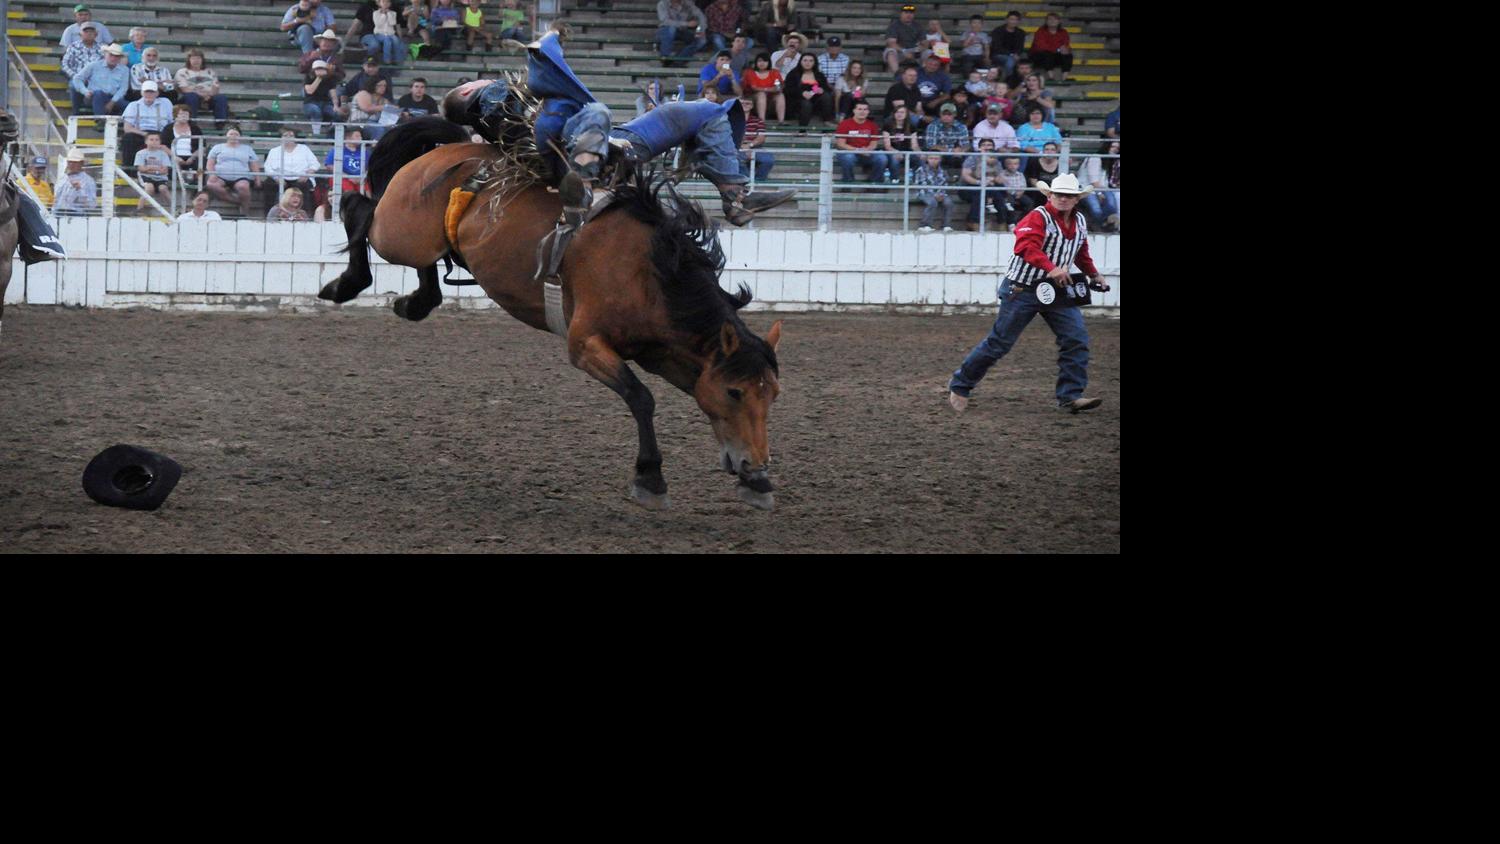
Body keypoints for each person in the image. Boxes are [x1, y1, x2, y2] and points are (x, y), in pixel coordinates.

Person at [445, 29, 793, 225]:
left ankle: (736, 199)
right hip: (560, 148)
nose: (484, 81)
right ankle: (583, 187)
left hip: (606, 141)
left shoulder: (500, 101)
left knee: (704, 110)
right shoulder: (487, 99)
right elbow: (523, 119)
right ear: (466, 91)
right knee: (596, 111)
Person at [947, 173, 1108, 414]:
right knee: (999, 343)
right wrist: (1051, 268)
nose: (1063, 199)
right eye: (1059, 195)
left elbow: (1080, 251)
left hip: (1056, 290)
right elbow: (1025, 247)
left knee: (1076, 339)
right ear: (1050, 196)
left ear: (1076, 200)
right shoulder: (1038, 216)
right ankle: (961, 385)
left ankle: (1071, 395)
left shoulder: (1080, 222)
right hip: (1022, 288)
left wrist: (1094, 274)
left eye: (1069, 196)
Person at [205, 125, 263, 216]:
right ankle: (238, 201)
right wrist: (212, 174)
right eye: (231, 134)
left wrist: (258, 178)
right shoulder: (217, 147)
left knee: (243, 187)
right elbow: (210, 163)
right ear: (226, 135)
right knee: (211, 184)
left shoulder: (247, 149)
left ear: (240, 136)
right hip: (221, 175)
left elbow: (254, 164)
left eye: (236, 134)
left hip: (241, 176)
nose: (233, 136)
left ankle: (245, 213)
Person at [262, 128, 323, 209]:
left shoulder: (304, 149)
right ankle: (271, 215)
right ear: (281, 138)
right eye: (285, 135)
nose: (288, 137)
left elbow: (315, 164)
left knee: (303, 186)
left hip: (301, 178)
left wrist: (307, 174)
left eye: (291, 135)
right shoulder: (274, 151)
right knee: (269, 184)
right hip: (280, 178)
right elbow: (267, 167)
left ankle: (303, 215)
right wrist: (276, 178)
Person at [120, 81, 174, 172]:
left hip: (161, 132)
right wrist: (145, 134)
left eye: (152, 92)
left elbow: (172, 122)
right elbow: (127, 128)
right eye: (146, 92)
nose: (149, 94)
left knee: (170, 137)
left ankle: (168, 170)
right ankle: (129, 169)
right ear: (141, 92)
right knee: (128, 138)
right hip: (141, 132)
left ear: (157, 93)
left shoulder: (166, 103)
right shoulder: (133, 105)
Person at [834, 101, 888, 183]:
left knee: (882, 158)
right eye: (859, 109)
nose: (862, 112)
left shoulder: (872, 125)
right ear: (854, 111)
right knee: (848, 158)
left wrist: (867, 150)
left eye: (865, 109)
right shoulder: (844, 124)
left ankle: (873, 182)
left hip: (866, 153)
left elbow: (873, 144)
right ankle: (848, 182)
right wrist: (858, 150)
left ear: (868, 112)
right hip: (848, 152)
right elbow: (841, 144)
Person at [72, 43, 130, 118]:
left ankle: (120, 124)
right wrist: (85, 91)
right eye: (111, 55)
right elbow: (77, 78)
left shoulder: (124, 70)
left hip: (113, 98)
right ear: (105, 54)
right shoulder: (94, 65)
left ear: (120, 58)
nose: (113, 58)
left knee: (130, 106)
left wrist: (112, 102)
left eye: (116, 56)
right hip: (94, 96)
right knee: (98, 94)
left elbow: (123, 88)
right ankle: (100, 121)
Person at [175, 51, 229, 128]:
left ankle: (220, 123)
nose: (196, 61)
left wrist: (209, 95)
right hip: (190, 98)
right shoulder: (182, 72)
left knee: (221, 98)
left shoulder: (210, 72)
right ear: (189, 60)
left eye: (198, 58)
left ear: (202, 60)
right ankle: (192, 123)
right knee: (191, 96)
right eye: (193, 58)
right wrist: (201, 94)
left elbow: (216, 87)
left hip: (208, 97)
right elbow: (184, 89)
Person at [960, 137, 1004, 229]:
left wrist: (992, 180)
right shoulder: (972, 158)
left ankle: (1002, 223)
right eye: (984, 145)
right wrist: (980, 182)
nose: (987, 147)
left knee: (1000, 195)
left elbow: (1000, 178)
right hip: (968, 187)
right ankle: (974, 222)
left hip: (989, 186)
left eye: (989, 145)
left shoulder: (996, 160)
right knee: (979, 196)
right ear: (979, 148)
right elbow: (966, 175)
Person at [1075, 140, 1119, 232]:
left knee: (1112, 206)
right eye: (1113, 146)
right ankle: (1099, 226)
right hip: (1086, 188)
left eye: (1117, 148)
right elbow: (1093, 180)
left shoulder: (1108, 161)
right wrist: (1099, 193)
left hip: (1102, 188)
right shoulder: (1095, 158)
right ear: (1107, 146)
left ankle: (1104, 224)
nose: (1115, 149)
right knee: (1096, 209)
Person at [61, 22, 105, 114]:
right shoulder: (73, 46)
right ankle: (76, 112)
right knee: (74, 85)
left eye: (91, 32)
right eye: (86, 31)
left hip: (96, 79)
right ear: (80, 34)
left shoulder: (102, 48)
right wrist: (76, 76)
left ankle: (99, 117)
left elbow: (104, 66)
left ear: (96, 34)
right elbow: (65, 64)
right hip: (78, 76)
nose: (89, 33)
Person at [784, 53, 831, 127]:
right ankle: (802, 129)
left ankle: (827, 121)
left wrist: (822, 90)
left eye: (811, 61)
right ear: (800, 62)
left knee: (826, 96)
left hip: (815, 99)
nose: (807, 63)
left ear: (814, 63)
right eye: (805, 60)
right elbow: (788, 89)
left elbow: (826, 88)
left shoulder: (819, 75)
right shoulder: (793, 74)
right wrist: (801, 93)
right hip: (797, 100)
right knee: (806, 104)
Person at [132, 131, 173, 215]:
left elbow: (164, 170)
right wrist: (157, 169)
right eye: (151, 139)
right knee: (149, 188)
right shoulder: (140, 153)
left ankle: (173, 208)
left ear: (160, 142)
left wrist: (149, 168)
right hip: (145, 177)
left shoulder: (163, 154)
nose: (154, 141)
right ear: (146, 141)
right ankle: (139, 209)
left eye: (156, 140)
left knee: (163, 188)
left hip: (160, 178)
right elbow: (141, 169)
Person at [303, 59, 346, 135]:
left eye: (321, 68)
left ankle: (331, 133)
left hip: (325, 103)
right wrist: (319, 78)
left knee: (336, 114)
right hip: (310, 103)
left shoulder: (329, 79)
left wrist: (335, 106)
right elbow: (310, 91)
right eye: (317, 69)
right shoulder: (308, 78)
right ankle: (316, 134)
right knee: (315, 110)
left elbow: (333, 93)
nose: (320, 70)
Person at [737, 92, 773, 181]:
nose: (744, 105)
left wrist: (749, 146)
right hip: (737, 148)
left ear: (752, 106)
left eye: (747, 103)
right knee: (736, 159)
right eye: (741, 103)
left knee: (768, 160)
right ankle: (747, 182)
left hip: (755, 147)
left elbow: (761, 137)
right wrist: (742, 147)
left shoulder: (758, 121)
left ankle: (758, 181)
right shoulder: (730, 120)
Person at [52, 148, 99, 216]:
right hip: (59, 214)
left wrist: (79, 190)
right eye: (70, 162)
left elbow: (92, 205)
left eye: (75, 162)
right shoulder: (63, 178)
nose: (71, 164)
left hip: (76, 215)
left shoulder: (88, 181)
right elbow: (56, 198)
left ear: (81, 163)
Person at [740, 52, 784, 122]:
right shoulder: (750, 72)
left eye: (765, 61)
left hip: (770, 102)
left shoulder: (774, 73)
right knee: (761, 94)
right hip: (752, 101)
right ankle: (762, 121)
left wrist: (764, 89)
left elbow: (778, 88)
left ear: (769, 62)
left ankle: (781, 121)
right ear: (756, 62)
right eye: (759, 61)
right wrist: (771, 89)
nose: (762, 63)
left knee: (780, 95)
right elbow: (754, 88)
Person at [880, 103, 919, 182]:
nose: (899, 114)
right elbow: (887, 145)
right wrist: (896, 152)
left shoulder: (912, 126)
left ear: (906, 114)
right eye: (897, 112)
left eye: (902, 112)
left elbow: (914, 145)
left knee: (919, 159)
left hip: (907, 151)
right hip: (891, 151)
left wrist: (920, 153)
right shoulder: (887, 125)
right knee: (895, 160)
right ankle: (894, 180)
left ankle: (916, 180)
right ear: (894, 114)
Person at [913, 153, 952, 231]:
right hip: (923, 193)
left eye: (936, 158)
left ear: (940, 160)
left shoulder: (943, 171)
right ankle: (925, 225)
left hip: (939, 194)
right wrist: (934, 195)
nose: (933, 161)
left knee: (949, 202)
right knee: (932, 202)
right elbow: (921, 185)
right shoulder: (921, 170)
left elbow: (944, 184)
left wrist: (941, 194)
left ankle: (946, 225)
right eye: (931, 158)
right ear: (927, 159)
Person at [1029, 12, 1072, 81]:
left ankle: (1065, 77)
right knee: (1047, 54)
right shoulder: (1040, 31)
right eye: (1050, 19)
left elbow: (1065, 45)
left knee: (1068, 55)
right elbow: (1041, 46)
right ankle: (1051, 77)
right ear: (1046, 21)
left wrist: (1065, 50)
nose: (1052, 21)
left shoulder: (1063, 32)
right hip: (1039, 56)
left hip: (1055, 55)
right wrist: (1058, 49)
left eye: (1055, 19)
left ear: (1059, 21)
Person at [349, 77, 394, 141]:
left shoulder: (383, 100)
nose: (383, 87)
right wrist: (384, 107)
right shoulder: (363, 94)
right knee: (379, 129)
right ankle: (374, 149)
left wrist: (399, 112)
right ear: (373, 85)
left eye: (384, 85)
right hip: (359, 122)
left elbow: (391, 109)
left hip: (376, 123)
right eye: (380, 85)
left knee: (392, 129)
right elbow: (367, 108)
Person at [363, 0, 405, 64]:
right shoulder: (376, 13)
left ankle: (397, 60)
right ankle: (386, 60)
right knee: (387, 40)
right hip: (379, 33)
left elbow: (392, 23)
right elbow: (378, 24)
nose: (385, 3)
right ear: (379, 3)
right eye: (383, 2)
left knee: (396, 41)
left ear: (390, 4)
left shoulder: (393, 13)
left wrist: (388, 13)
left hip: (390, 33)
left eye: (387, 2)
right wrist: (383, 15)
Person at [883, 3, 921, 73]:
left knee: (928, 53)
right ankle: (897, 75)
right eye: (906, 12)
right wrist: (904, 51)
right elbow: (891, 43)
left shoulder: (918, 26)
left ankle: (924, 76)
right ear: (901, 14)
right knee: (890, 52)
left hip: (914, 51)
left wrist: (922, 47)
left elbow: (924, 41)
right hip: (899, 52)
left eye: (911, 13)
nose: (909, 15)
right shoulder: (894, 25)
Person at [989, 9, 1025, 81]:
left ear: (1018, 21)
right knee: (1010, 60)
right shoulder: (998, 31)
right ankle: (1008, 81)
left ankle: (1021, 81)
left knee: (1024, 62)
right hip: (998, 55)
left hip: (1014, 55)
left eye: (1016, 20)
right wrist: (1011, 54)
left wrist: (1017, 54)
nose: (1013, 21)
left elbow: (1020, 47)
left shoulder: (1021, 32)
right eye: (1011, 19)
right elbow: (996, 47)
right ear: (1006, 20)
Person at [914, 53, 951, 121]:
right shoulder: (916, 72)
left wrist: (936, 101)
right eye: (930, 64)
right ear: (925, 63)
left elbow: (947, 94)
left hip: (933, 103)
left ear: (939, 66)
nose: (932, 67)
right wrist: (918, 105)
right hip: (915, 102)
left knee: (947, 104)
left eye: (935, 65)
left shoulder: (943, 76)